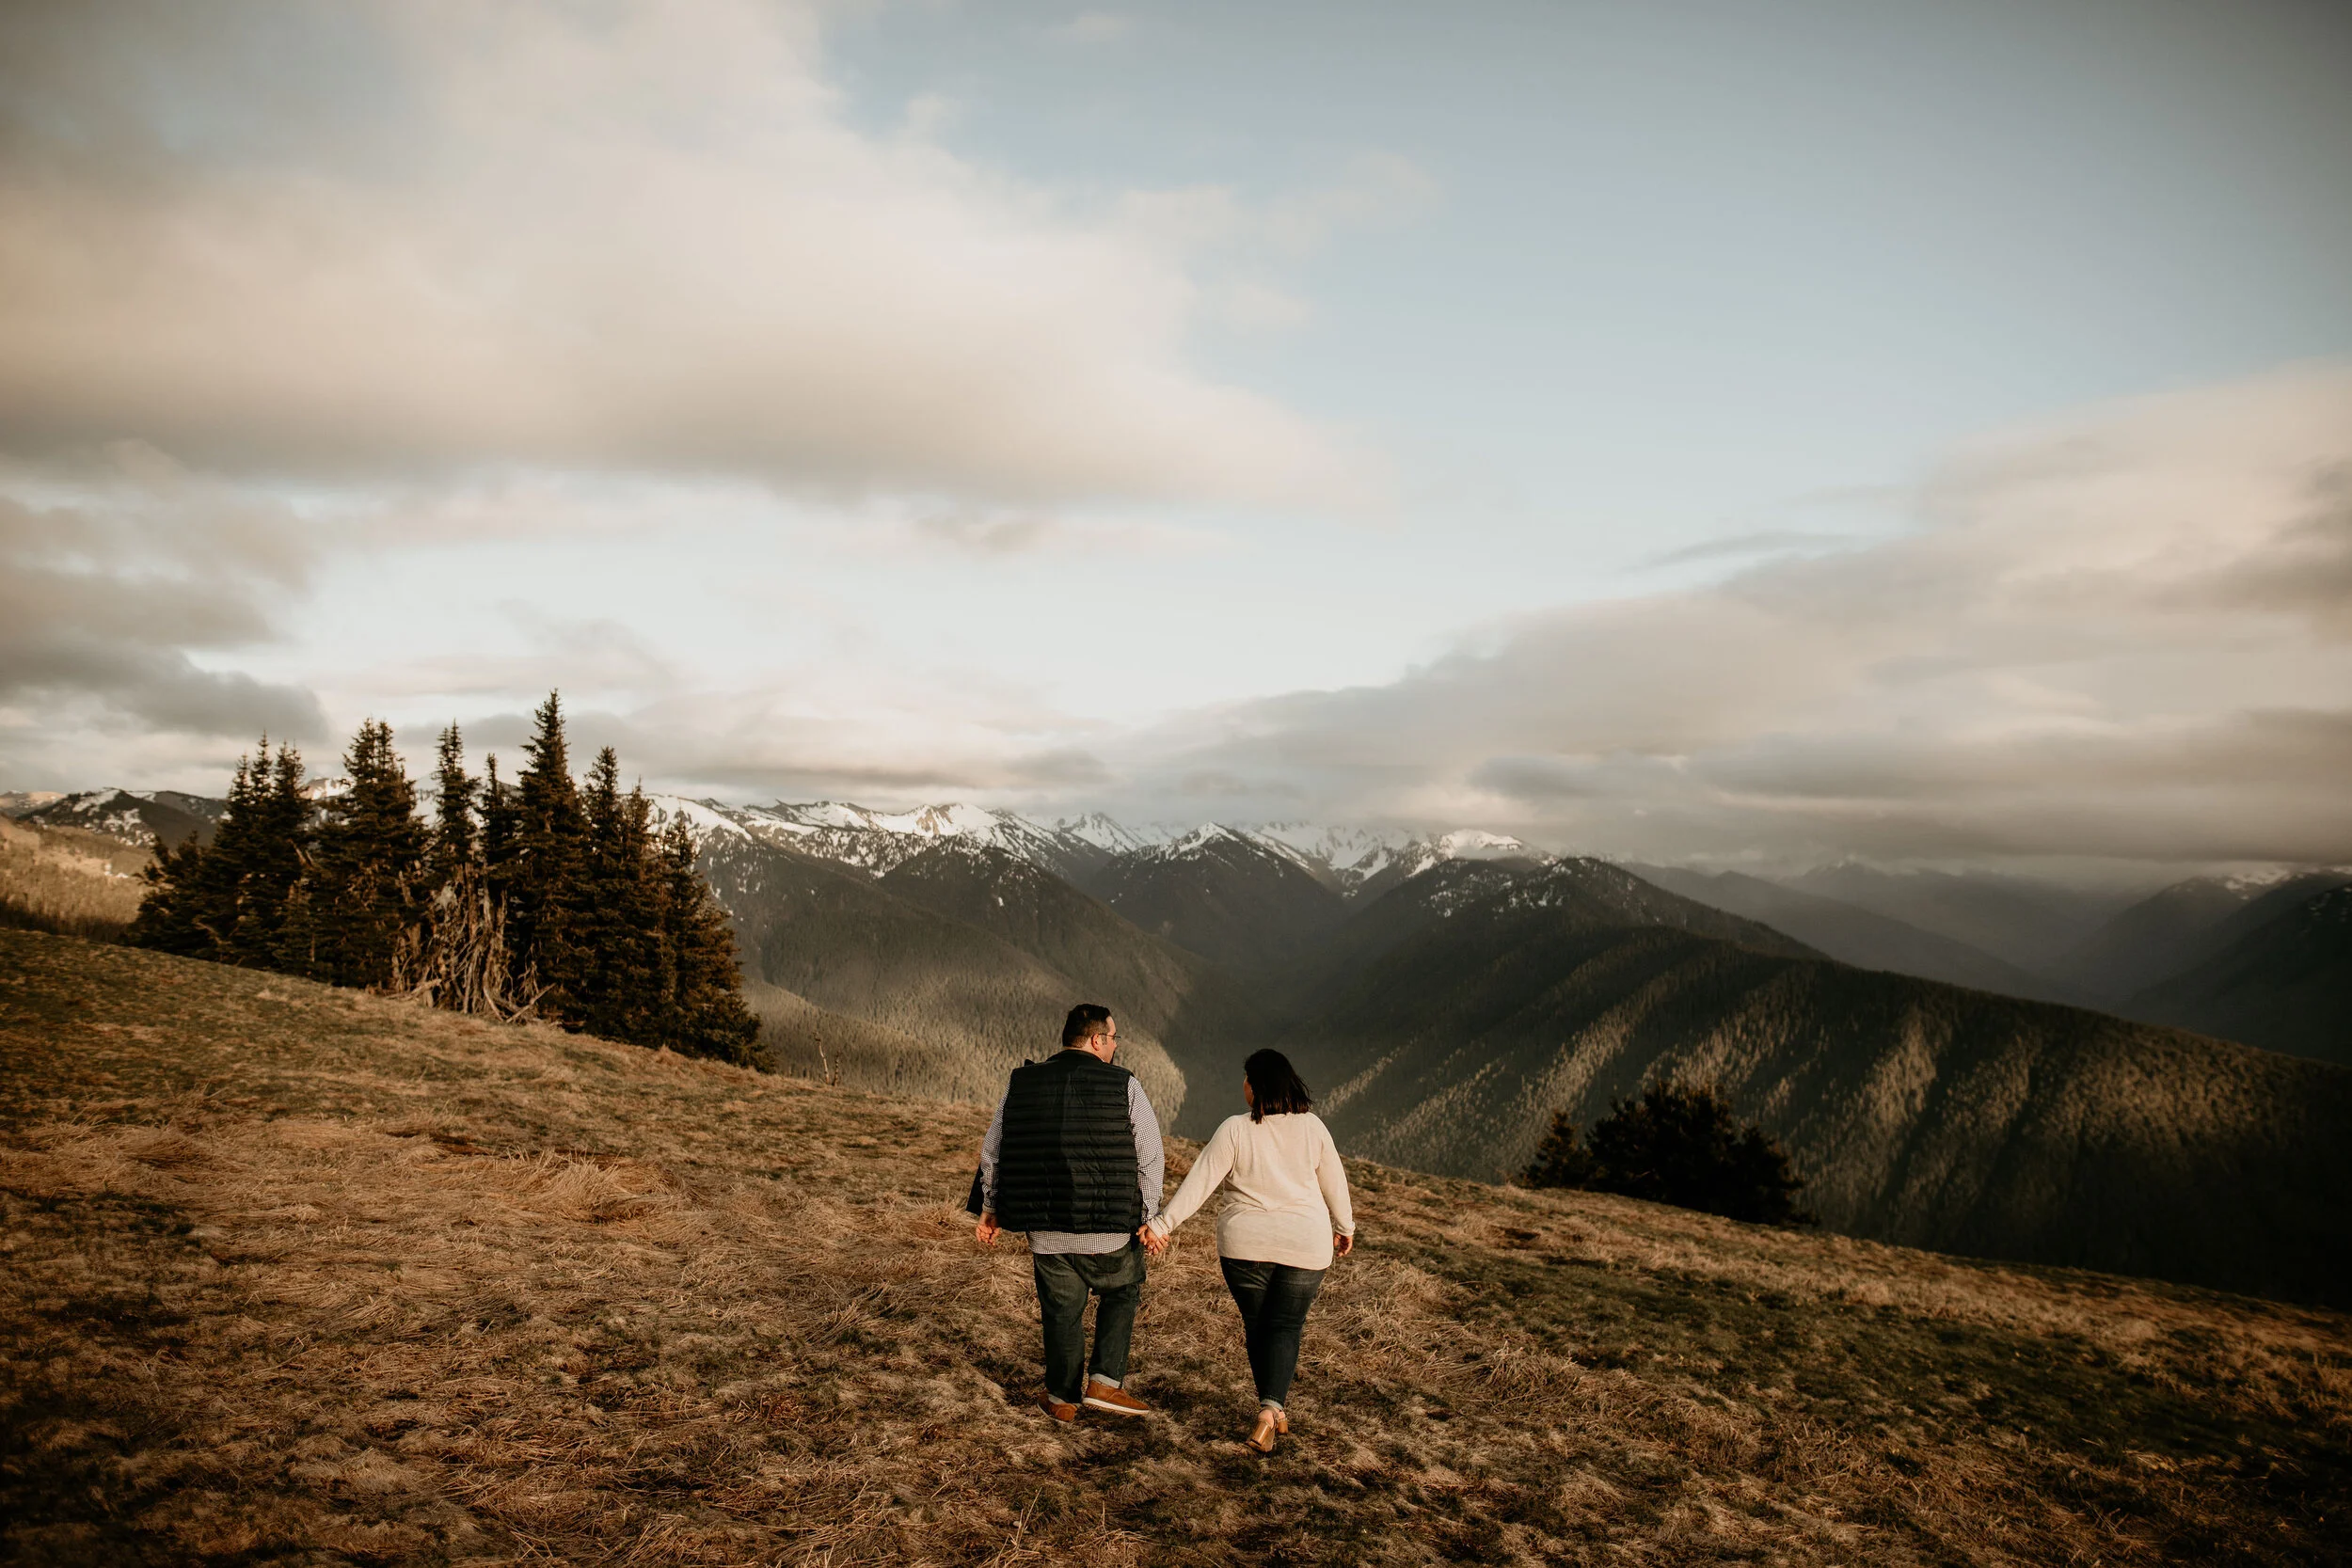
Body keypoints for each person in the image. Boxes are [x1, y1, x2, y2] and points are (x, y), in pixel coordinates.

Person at [1141, 1048, 1354, 1453]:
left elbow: (1200, 1183)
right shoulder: (1313, 1128)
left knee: (1259, 1326)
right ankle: (1270, 1411)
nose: (1243, 1085)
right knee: (1285, 1327)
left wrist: (1162, 1225)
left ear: (1256, 1087)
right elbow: (1335, 1184)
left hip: (1245, 1246)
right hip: (1304, 1245)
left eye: (1247, 1079)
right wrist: (1345, 1228)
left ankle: (1271, 1410)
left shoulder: (1235, 1129)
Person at [976, 1004, 1166, 1423]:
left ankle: (1061, 1398)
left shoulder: (1022, 1082)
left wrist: (990, 1208)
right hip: (1109, 1229)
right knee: (1122, 1289)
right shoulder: (1125, 1084)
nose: (1115, 1046)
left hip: (1046, 1231)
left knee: (1061, 1312)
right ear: (1097, 1040)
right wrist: (1150, 1217)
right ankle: (1104, 1383)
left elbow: (993, 1150)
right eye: (1113, 1038)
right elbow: (1150, 1156)